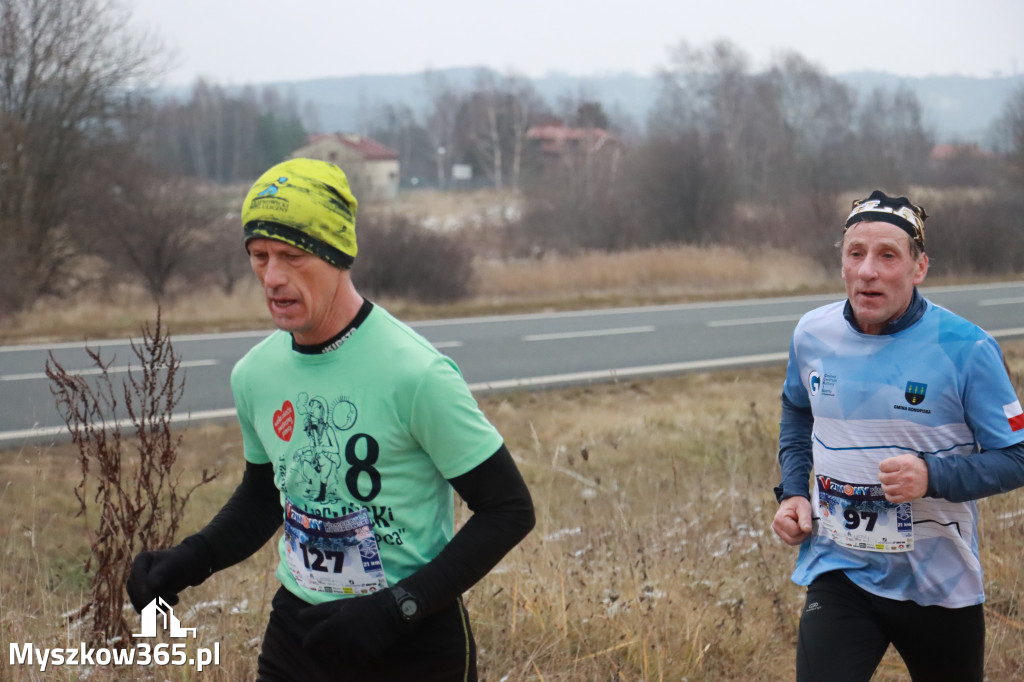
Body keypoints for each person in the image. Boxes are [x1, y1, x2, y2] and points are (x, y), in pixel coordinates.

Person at [126, 158, 536, 681]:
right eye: (259, 256)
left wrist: (399, 608)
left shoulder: (417, 373)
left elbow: (508, 509)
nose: (272, 278)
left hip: (411, 639)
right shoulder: (256, 374)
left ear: (337, 255)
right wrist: (192, 557)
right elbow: (267, 495)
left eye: (293, 256)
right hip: (299, 633)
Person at [771, 190, 1024, 682]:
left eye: (888, 255)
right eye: (856, 254)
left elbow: (1017, 455)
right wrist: (795, 493)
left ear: (919, 268)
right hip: (839, 570)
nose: (869, 271)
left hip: (938, 584)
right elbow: (796, 411)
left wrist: (932, 475)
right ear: (842, 263)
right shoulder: (811, 334)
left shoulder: (967, 348)